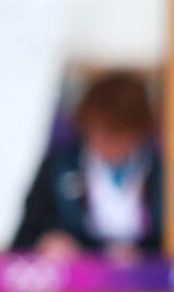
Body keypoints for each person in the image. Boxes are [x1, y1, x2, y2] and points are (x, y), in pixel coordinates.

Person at [12, 72, 163, 259]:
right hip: (75, 274)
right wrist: (45, 242)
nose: (109, 144)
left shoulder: (163, 173)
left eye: (119, 134)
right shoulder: (59, 167)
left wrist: (143, 256)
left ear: (139, 132)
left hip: (145, 276)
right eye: (100, 133)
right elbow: (23, 239)